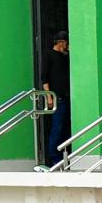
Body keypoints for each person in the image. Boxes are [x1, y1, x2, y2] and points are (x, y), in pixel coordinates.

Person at [40, 33, 71, 166]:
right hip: (56, 97)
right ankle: (54, 159)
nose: (67, 46)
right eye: (66, 43)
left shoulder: (64, 57)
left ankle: (65, 157)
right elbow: (44, 78)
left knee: (65, 128)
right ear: (61, 42)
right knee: (57, 128)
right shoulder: (49, 55)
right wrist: (49, 97)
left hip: (66, 96)